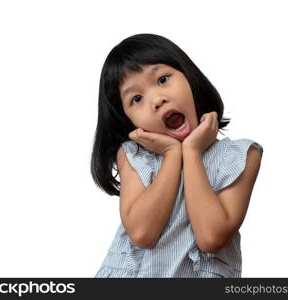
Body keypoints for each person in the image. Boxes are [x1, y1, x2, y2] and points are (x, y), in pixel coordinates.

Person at [90, 33, 263, 278]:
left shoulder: (239, 156)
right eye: (136, 99)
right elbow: (142, 233)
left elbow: (211, 237)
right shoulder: (134, 156)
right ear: (128, 119)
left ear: (190, 79)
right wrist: (172, 154)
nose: (157, 100)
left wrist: (191, 152)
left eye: (162, 79)